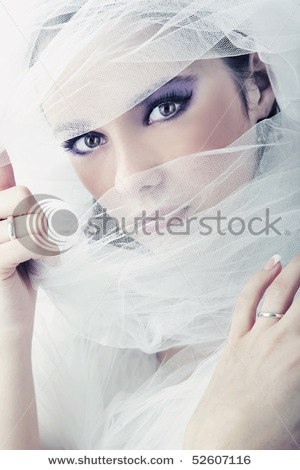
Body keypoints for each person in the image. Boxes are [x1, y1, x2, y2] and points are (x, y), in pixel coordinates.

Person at [0, 0, 299, 450]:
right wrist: (11, 333)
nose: (130, 180)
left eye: (165, 108)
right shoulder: (89, 319)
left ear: (256, 85)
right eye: (88, 140)